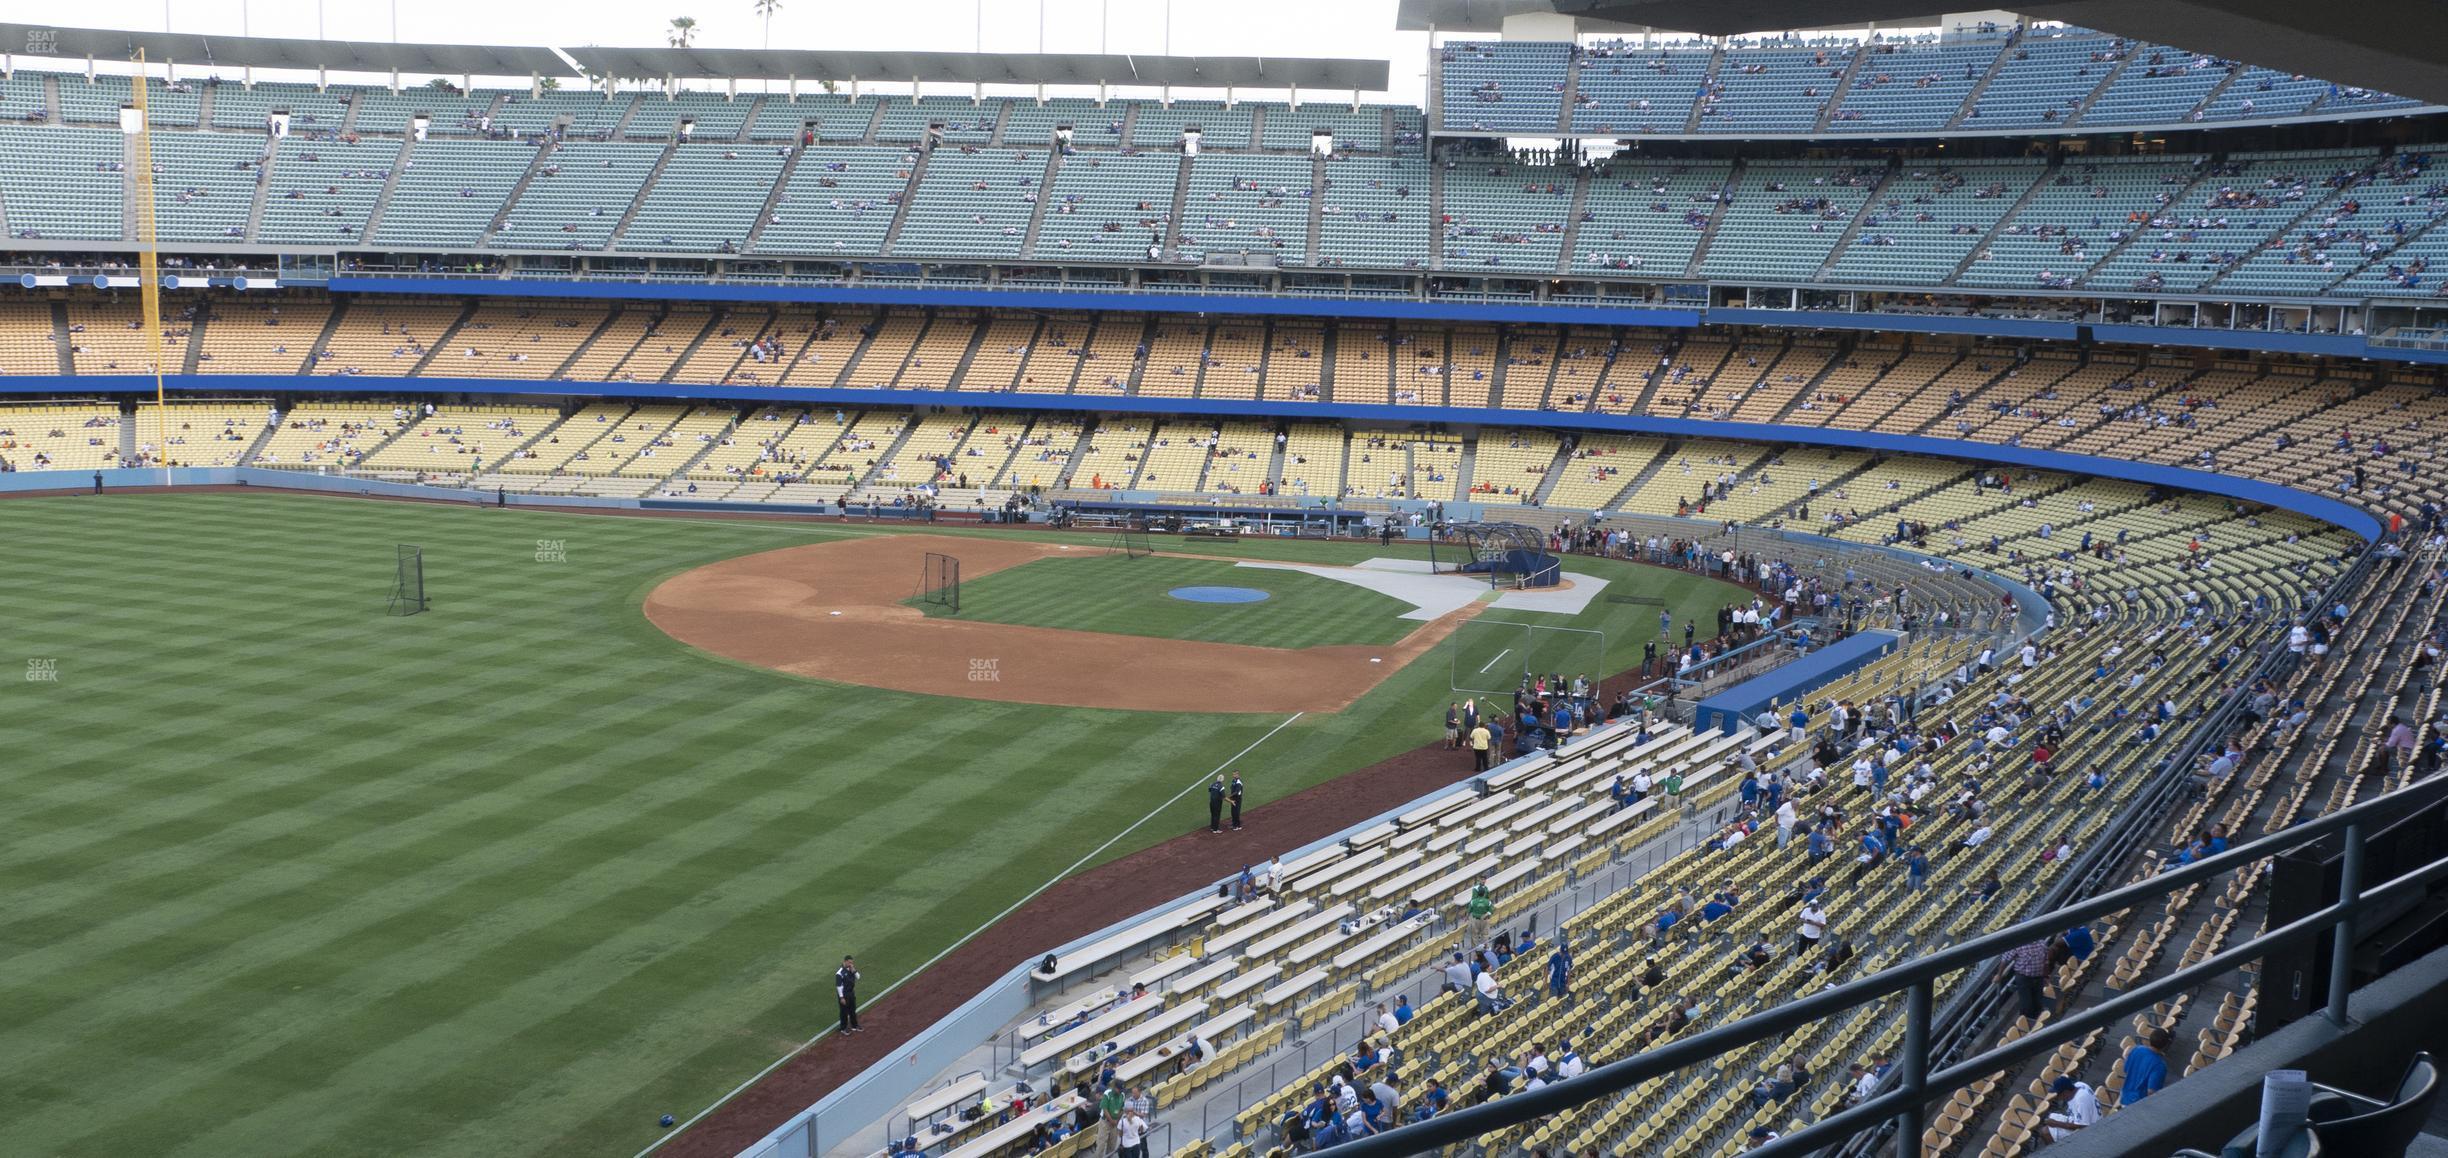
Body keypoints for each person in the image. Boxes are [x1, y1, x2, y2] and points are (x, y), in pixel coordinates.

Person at [2001, 936, 2050, 1020]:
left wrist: (2046, 976)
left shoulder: (2042, 943)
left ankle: (2035, 1022)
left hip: (2039, 977)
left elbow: (2045, 961)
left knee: (2038, 1002)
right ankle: (2026, 1022)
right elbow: (2005, 959)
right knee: (2026, 1004)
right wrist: (1999, 974)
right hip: (2023, 977)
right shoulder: (2018, 945)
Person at [2121, 1028, 2171, 1104]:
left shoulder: (2137, 1049)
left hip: (2125, 1097)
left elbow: (2126, 1069)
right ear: (2165, 1046)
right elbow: (2152, 1092)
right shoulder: (2160, 1066)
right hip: (2139, 1105)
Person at [2043, 1074, 2099, 1140]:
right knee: (2050, 1117)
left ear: (2065, 1092)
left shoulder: (2081, 1100)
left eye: (2058, 1094)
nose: (2057, 1097)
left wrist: (2056, 1123)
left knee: (2045, 1132)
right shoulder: (2080, 1084)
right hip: (2079, 1119)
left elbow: (2083, 1126)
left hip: (2092, 1129)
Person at [835, 954, 861, 1034]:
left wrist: (854, 970)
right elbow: (838, 986)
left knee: (853, 1010)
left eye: (851, 963)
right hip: (844, 995)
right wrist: (841, 997)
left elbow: (858, 977)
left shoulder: (851, 969)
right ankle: (843, 1028)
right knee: (844, 1012)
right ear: (845, 962)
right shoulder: (839, 973)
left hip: (851, 993)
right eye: (849, 963)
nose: (851, 964)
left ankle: (854, 1025)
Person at [1467, 879, 1495, 947]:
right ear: (1484, 893)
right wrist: (1487, 914)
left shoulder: (1473, 901)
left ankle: (1475, 948)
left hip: (1475, 920)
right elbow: (1492, 910)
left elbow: (1469, 911)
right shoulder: (1488, 901)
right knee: (1485, 935)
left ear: (1477, 893)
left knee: (1474, 935)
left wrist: (1467, 917)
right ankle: (1485, 947)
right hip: (1485, 919)